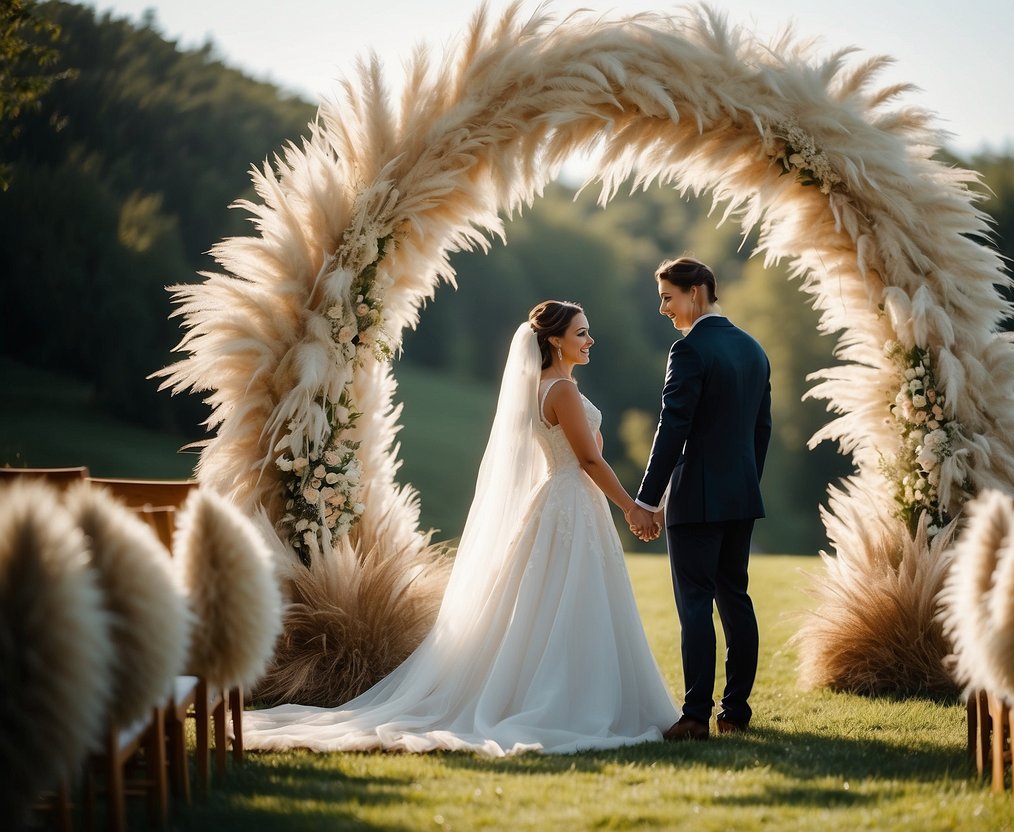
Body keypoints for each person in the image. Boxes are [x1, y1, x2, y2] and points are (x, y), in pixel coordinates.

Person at [242, 301, 678, 755]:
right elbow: (588, 459)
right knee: (570, 598)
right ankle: (572, 702)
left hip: (562, 501)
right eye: (581, 334)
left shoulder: (545, 388)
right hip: (570, 498)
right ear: (555, 340)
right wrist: (632, 507)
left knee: (553, 601)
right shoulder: (562, 391)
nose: (590, 341)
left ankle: (560, 693)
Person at [630, 257, 772, 742]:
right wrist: (746, 479)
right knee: (735, 598)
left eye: (668, 297)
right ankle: (735, 712)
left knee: (694, 604)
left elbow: (674, 428)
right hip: (741, 495)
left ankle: (694, 716)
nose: (664, 308)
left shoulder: (688, 351)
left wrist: (647, 499)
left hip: (695, 499)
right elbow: (761, 430)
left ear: (697, 292)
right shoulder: (754, 350)